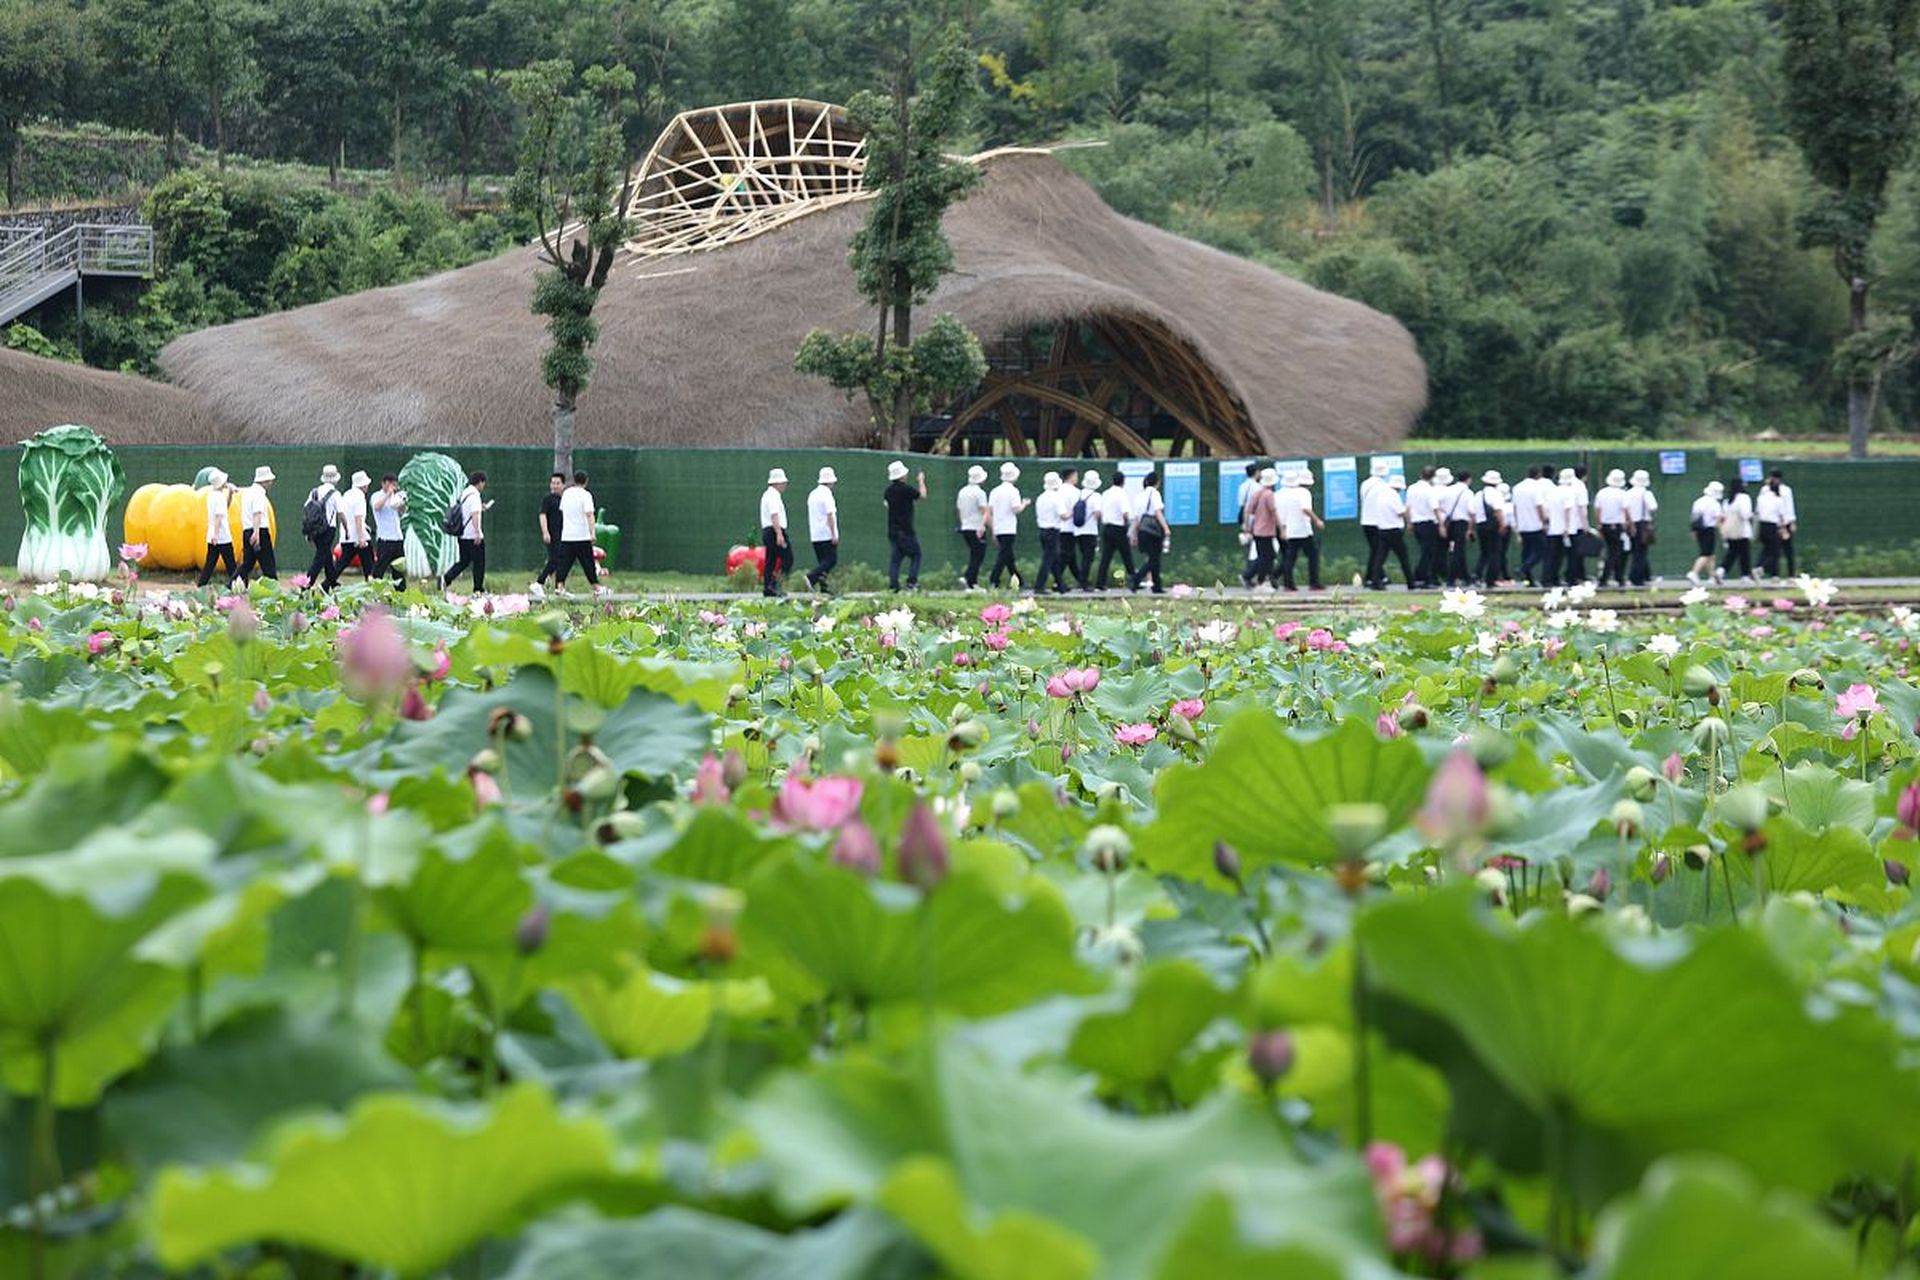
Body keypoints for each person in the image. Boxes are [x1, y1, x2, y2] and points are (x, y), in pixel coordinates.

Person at [326, 470, 377, 588]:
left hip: (346, 536)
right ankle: (372, 588)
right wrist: (361, 538)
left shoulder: (347, 494)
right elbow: (358, 517)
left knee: (342, 563)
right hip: (359, 537)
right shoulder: (360, 496)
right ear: (363, 485)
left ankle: (326, 584)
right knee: (369, 565)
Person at [553, 470, 603, 592]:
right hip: (582, 536)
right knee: (588, 564)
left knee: (564, 563)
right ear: (586, 481)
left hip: (568, 536)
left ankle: (559, 586)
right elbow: (590, 515)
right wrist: (592, 533)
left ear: (574, 480)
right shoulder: (586, 495)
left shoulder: (566, 494)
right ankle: (596, 587)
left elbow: (563, 511)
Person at [441, 470, 490, 593]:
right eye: (483, 483)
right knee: (479, 563)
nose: (483, 486)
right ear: (480, 482)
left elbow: (467, 511)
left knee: (464, 561)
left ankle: (447, 578)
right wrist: (478, 532)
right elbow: (474, 515)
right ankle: (478, 589)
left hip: (462, 535)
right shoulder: (475, 495)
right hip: (472, 536)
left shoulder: (465, 493)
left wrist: (480, 507)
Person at [1362, 468, 1412, 589]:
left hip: (1382, 529)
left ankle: (1375, 581)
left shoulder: (1381, 494)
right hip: (1394, 530)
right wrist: (1408, 510)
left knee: (1379, 558)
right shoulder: (1393, 496)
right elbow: (1400, 512)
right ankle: (1411, 582)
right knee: (1403, 557)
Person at [1278, 468, 1326, 590]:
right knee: (1313, 556)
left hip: (1289, 530)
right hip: (1303, 530)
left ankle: (1288, 584)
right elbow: (1305, 509)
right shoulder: (1304, 493)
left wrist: (1283, 528)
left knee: (1290, 558)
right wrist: (1317, 520)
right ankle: (1314, 582)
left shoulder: (1284, 494)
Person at [884, 460, 927, 591]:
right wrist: (921, 480)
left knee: (896, 558)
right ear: (902, 476)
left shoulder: (888, 491)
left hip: (892, 530)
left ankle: (894, 585)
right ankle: (912, 582)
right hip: (906, 530)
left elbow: (886, 505)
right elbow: (923, 496)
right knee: (916, 555)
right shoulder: (906, 489)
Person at [1095, 469, 1138, 589]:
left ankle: (1100, 583)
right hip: (1118, 528)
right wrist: (1129, 526)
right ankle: (1134, 580)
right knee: (1126, 556)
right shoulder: (1122, 494)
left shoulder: (1105, 493)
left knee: (1106, 557)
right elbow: (1125, 513)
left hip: (1107, 527)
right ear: (1123, 482)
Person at [987, 462, 1028, 589]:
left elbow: (990, 510)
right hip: (1009, 527)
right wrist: (1024, 504)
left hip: (998, 526)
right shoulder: (1013, 491)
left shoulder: (995, 491)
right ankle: (994, 579)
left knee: (1008, 555)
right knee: (1004, 555)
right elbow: (1016, 509)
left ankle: (1018, 580)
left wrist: (993, 528)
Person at [196, 469, 238, 588]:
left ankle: (201, 585)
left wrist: (230, 493)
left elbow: (225, 508)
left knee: (210, 563)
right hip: (222, 536)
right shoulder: (218, 497)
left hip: (213, 535)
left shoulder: (212, 495)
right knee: (230, 563)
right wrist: (216, 534)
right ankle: (236, 585)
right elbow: (219, 516)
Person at [301, 464, 342, 588]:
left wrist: (308, 531)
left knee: (325, 554)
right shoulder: (335, 494)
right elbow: (341, 512)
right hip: (328, 528)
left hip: (315, 529)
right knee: (320, 557)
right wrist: (346, 527)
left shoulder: (314, 492)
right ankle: (307, 583)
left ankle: (332, 581)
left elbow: (306, 509)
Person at [1130, 472, 1170, 593]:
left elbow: (1137, 518)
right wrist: (1166, 527)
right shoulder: (1155, 493)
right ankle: (1136, 578)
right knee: (1154, 559)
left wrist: (1133, 533)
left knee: (1153, 558)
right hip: (1153, 531)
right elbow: (1157, 512)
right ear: (1157, 482)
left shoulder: (1139, 496)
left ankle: (1156, 585)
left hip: (1142, 530)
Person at [1433, 466, 1471, 587]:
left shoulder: (1449, 490)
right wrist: (1470, 528)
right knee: (1458, 551)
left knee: (1445, 551)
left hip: (1448, 523)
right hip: (1461, 522)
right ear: (1469, 479)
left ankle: (1464, 577)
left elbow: (1438, 505)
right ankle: (1452, 578)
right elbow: (1472, 511)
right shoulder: (1468, 492)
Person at [238, 466, 277, 582]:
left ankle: (231, 584)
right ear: (264, 481)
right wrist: (256, 533)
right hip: (259, 531)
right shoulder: (259, 494)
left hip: (247, 530)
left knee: (247, 564)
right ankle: (274, 588)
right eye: (269, 480)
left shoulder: (247, 492)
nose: (271, 483)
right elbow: (257, 513)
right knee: (268, 564)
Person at [531, 472, 567, 594]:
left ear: (563, 485)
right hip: (552, 535)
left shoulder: (564, 499)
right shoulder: (548, 499)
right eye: (553, 483)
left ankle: (559, 588)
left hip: (564, 535)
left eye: (557, 483)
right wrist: (545, 532)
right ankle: (539, 582)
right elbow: (542, 515)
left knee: (562, 562)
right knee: (554, 559)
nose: (554, 486)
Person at [1594, 468, 1631, 588]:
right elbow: (1626, 511)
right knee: (1615, 553)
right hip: (1617, 526)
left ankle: (1616, 577)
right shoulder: (1622, 494)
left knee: (1611, 551)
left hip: (1605, 526)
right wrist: (1630, 524)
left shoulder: (1602, 493)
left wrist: (1599, 525)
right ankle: (1610, 578)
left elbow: (1597, 510)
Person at [1757, 469, 1796, 578]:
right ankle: (1777, 574)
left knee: (1782, 549)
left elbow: (1788, 507)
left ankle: (1782, 574)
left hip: (1775, 523)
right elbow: (1788, 508)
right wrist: (1791, 522)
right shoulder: (1768, 491)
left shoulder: (1781, 490)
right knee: (1776, 550)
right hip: (1779, 522)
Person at [805, 467, 839, 593]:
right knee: (831, 560)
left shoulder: (813, 494)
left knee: (822, 561)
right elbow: (830, 515)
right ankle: (811, 577)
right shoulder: (827, 495)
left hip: (815, 534)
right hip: (826, 533)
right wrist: (833, 533)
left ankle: (824, 588)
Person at [759, 467, 792, 598]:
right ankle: (775, 585)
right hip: (774, 530)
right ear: (777, 483)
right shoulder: (773, 496)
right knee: (788, 559)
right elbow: (774, 515)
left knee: (771, 560)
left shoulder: (767, 494)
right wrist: (779, 534)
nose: (784, 485)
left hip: (767, 530)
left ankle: (768, 587)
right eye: (783, 483)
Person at [1406, 465, 1440, 587]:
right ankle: (1423, 577)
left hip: (1416, 523)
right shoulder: (1430, 490)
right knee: (1429, 552)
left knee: (1424, 551)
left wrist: (1409, 523)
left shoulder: (1412, 488)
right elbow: (1435, 508)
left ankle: (1421, 576)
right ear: (1432, 477)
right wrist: (1441, 524)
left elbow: (1408, 508)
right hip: (1428, 523)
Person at [1056, 468, 1090, 590]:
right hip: (1071, 527)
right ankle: (1058, 580)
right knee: (1066, 555)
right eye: (1075, 475)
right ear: (1071, 476)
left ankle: (1079, 579)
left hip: (1058, 527)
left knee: (1070, 557)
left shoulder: (1058, 490)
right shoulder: (1076, 492)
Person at [956, 464, 989, 589]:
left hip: (966, 527)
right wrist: (982, 526)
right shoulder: (980, 493)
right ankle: (969, 579)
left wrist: (963, 522)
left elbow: (959, 510)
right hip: (976, 527)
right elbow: (984, 511)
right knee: (978, 555)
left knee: (974, 554)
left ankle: (972, 582)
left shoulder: (962, 491)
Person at [1033, 471, 1066, 594]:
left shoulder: (1041, 497)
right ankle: (1039, 585)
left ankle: (1061, 584)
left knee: (1054, 558)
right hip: (1053, 530)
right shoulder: (1057, 497)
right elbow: (1063, 515)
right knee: (1048, 559)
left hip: (1043, 530)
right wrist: (1073, 513)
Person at [1358, 459, 1390, 584]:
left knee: (1375, 549)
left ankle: (1379, 576)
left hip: (1366, 520)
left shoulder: (1365, 484)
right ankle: (1372, 577)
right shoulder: (1384, 486)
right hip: (1378, 521)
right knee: (1377, 551)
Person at [371, 474, 407, 583]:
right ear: (383, 483)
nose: (393, 486)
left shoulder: (396, 497)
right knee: (380, 568)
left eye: (394, 484)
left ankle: (400, 591)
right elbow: (377, 507)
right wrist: (388, 494)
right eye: (390, 484)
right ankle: (374, 591)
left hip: (397, 538)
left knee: (399, 569)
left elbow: (402, 511)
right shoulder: (377, 495)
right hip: (385, 538)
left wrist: (402, 502)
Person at [1686, 480, 1724, 585]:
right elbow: (1718, 519)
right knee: (1706, 554)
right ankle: (1694, 572)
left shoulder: (1698, 501)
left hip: (1699, 530)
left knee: (1711, 555)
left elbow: (1694, 518)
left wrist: (1693, 531)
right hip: (1709, 529)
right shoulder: (1715, 504)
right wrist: (1721, 531)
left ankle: (1713, 577)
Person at [1476, 470, 1509, 586]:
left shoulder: (1479, 494)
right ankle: (1491, 579)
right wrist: (1502, 524)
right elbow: (1498, 510)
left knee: (1484, 552)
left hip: (1480, 525)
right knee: (1495, 553)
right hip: (1492, 526)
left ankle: (1477, 575)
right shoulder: (1495, 493)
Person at [1625, 469, 1658, 586]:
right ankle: (1636, 578)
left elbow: (1625, 508)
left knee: (1635, 551)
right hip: (1643, 524)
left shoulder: (1628, 493)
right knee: (1641, 552)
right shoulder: (1646, 493)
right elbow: (1653, 507)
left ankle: (1644, 575)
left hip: (1630, 524)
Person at [1718, 476, 1753, 582]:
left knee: (1732, 552)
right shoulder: (1744, 498)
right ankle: (1745, 575)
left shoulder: (1727, 500)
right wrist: (1752, 515)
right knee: (1744, 553)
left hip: (1730, 530)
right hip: (1741, 530)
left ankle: (1721, 570)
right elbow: (1745, 514)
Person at [1236, 462, 1264, 587]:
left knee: (1249, 548)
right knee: (1257, 549)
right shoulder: (1258, 487)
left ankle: (1249, 574)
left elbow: (1241, 503)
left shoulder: (1242, 486)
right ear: (1256, 472)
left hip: (1244, 517)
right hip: (1254, 518)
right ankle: (1249, 575)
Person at [1074, 471, 1102, 589]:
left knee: (1082, 556)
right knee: (1088, 557)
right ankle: (1083, 581)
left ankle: (1082, 579)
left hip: (1078, 530)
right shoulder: (1096, 496)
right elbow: (1097, 513)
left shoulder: (1078, 493)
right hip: (1090, 530)